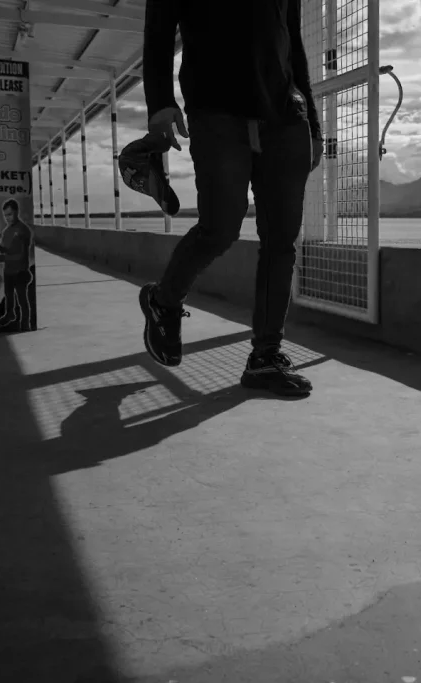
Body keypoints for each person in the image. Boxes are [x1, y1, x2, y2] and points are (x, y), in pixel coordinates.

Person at [139, 0, 323, 397]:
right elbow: (157, 29)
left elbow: (294, 44)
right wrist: (160, 101)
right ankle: (163, 301)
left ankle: (266, 358)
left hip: (286, 117)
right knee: (220, 227)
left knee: (281, 241)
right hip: (216, 111)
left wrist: (314, 126)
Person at [0, 198, 34, 331]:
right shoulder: (6, 231)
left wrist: (3, 257)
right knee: (9, 295)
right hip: (9, 271)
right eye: (5, 215)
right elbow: (9, 250)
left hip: (20, 271)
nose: (7, 218)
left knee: (22, 299)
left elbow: (21, 255)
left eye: (10, 214)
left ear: (17, 212)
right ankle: (9, 314)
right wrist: (0, 249)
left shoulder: (23, 230)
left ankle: (25, 324)